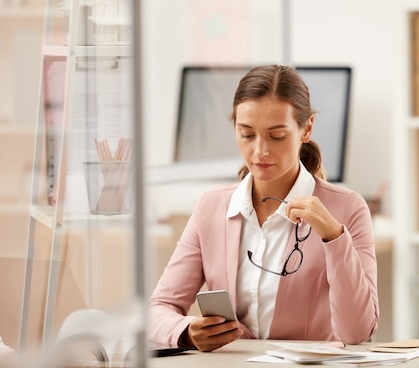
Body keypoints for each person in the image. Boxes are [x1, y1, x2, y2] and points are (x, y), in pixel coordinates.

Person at [148, 65, 378, 352]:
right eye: (247, 134)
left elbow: (357, 333)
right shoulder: (211, 207)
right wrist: (186, 331)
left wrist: (334, 237)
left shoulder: (347, 208)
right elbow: (159, 309)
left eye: (277, 136)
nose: (260, 151)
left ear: (306, 128)